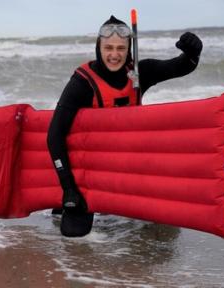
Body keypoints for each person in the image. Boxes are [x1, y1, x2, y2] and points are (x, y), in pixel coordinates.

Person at [47, 15, 203, 237]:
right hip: (92, 170)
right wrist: (69, 188)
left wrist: (192, 53)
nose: (114, 54)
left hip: (129, 166)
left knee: (166, 233)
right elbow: (54, 135)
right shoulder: (81, 83)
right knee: (75, 237)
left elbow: (180, 66)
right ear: (98, 48)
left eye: (121, 48)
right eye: (108, 47)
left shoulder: (139, 73)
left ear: (129, 48)